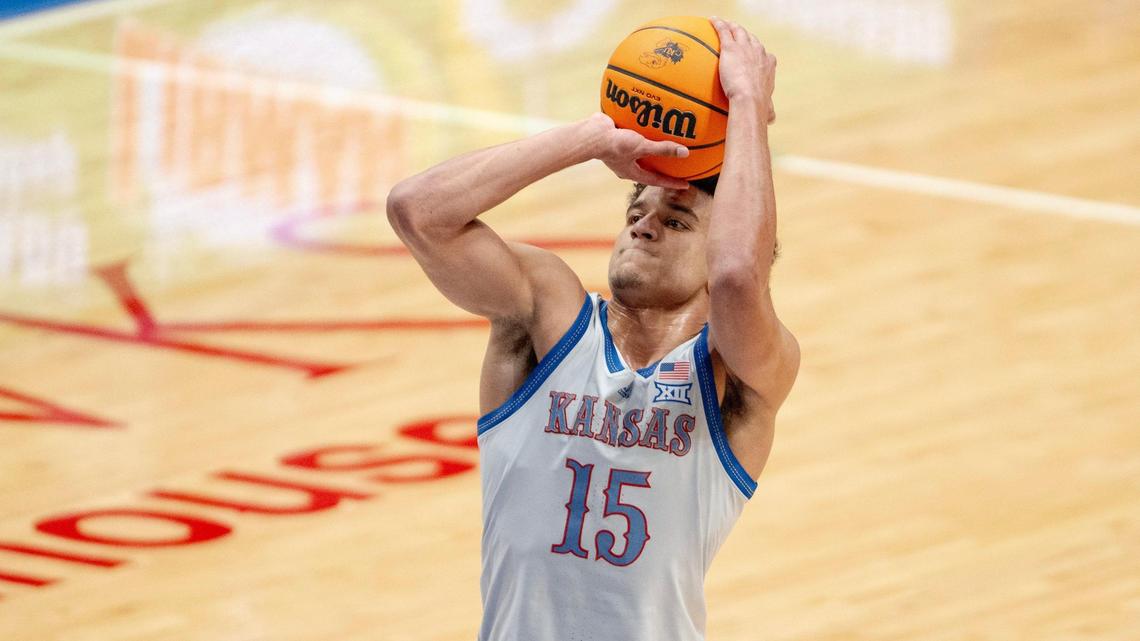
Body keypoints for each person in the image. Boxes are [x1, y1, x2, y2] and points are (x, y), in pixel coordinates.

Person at [387, 17, 799, 641]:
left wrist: (746, 105)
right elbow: (417, 212)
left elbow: (740, 273)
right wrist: (592, 138)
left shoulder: (735, 369)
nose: (643, 224)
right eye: (636, 209)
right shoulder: (548, 317)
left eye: (678, 222)